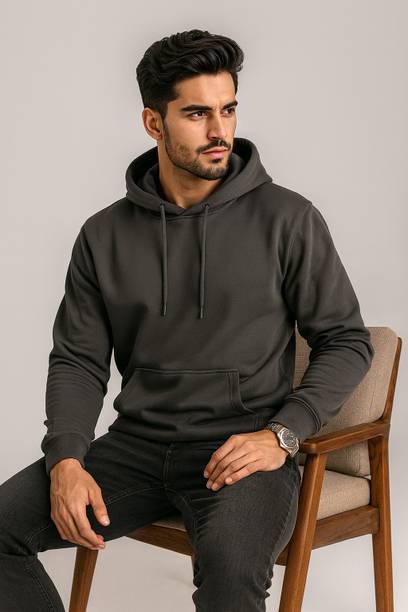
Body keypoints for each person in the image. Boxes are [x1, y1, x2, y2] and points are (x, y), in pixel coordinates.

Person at [0, 29, 375, 611]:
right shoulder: (103, 235)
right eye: (197, 114)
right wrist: (66, 458)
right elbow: (78, 359)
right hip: (136, 447)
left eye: (228, 109)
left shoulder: (288, 219)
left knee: (230, 575)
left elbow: (347, 340)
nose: (219, 130)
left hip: (242, 451)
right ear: (154, 122)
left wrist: (283, 433)